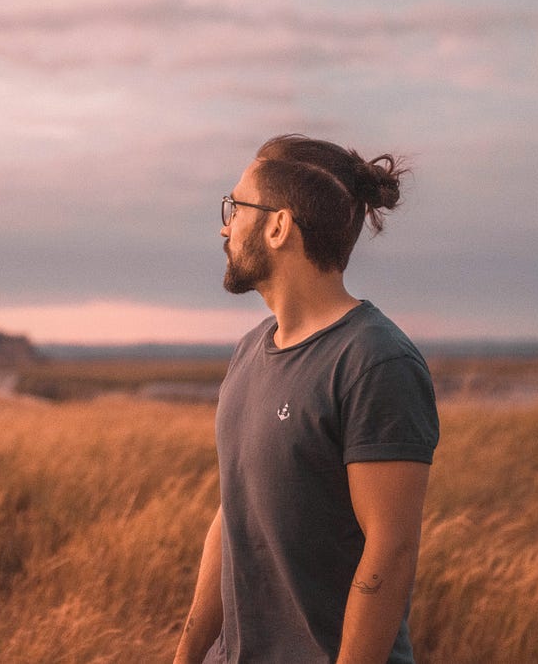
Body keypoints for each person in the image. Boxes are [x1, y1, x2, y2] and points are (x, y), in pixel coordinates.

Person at [174, 135, 440, 664]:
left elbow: (390, 554)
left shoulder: (375, 362)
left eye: (236, 207)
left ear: (278, 226)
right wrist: (188, 655)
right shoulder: (250, 350)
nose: (225, 226)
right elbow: (232, 516)